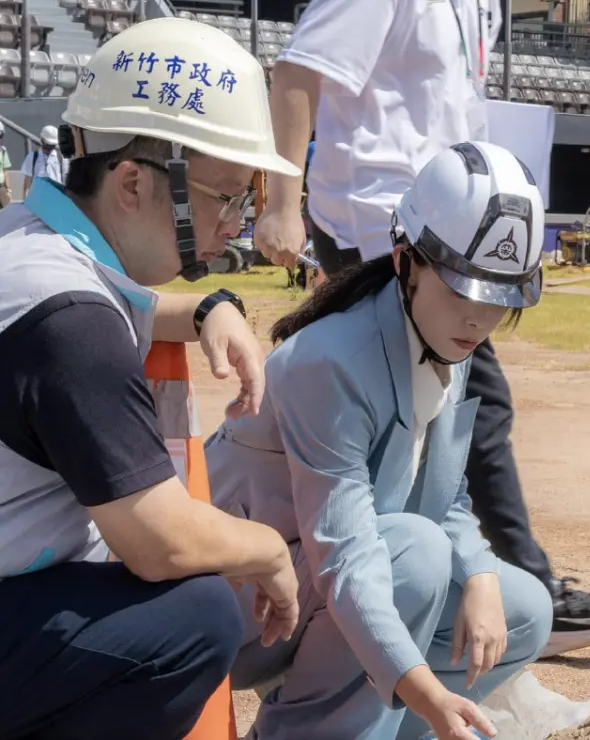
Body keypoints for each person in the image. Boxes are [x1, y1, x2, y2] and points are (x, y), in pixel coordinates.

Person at [252, 0, 590, 656]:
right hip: (385, 226)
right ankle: (493, 584)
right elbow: (298, 71)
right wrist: (283, 204)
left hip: (460, 227)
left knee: (441, 419)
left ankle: (438, 586)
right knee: (464, 409)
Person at [0, 17, 302, 739]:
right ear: (133, 182)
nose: (234, 225)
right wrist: (267, 550)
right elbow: (159, 539)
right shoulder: (70, 318)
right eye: (225, 196)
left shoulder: (26, 241)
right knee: (195, 617)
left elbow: (118, 311)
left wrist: (207, 306)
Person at [206, 141, 554, 740]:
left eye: (497, 298)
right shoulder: (332, 363)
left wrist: (480, 575)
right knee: (415, 556)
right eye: (461, 291)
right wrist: (426, 690)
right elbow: (345, 553)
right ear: (405, 261)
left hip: (316, 589)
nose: (478, 319)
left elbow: (444, 493)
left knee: (523, 610)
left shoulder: (446, 337)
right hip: (237, 612)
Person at [0, 122, 12, 208]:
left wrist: (8, 189)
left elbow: (5, 171)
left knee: (8, 209)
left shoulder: (3, 151)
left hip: (1, 187)